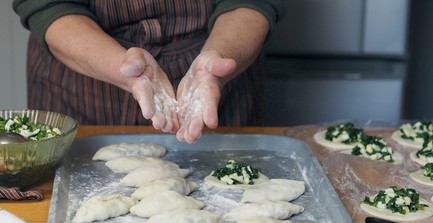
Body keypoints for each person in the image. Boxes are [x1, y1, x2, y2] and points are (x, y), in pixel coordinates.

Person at [12, 0, 285, 144]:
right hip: (82, 84)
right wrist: (121, 67)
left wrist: (218, 59)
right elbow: (47, 4)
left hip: (220, 76)